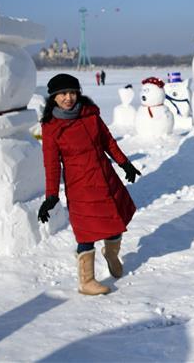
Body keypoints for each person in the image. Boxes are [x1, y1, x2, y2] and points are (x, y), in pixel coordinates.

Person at [38, 73, 142, 295]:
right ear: (53, 97)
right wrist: (51, 195)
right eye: (62, 94)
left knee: (114, 222)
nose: (68, 98)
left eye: (72, 92)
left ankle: (111, 254)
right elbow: (51, 164)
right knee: (86, 232)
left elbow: (108, 142)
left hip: (105, 177)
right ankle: (87, 281)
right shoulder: (51, 127)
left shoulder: (90, 114)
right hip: (81, 186)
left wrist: (125, 164)